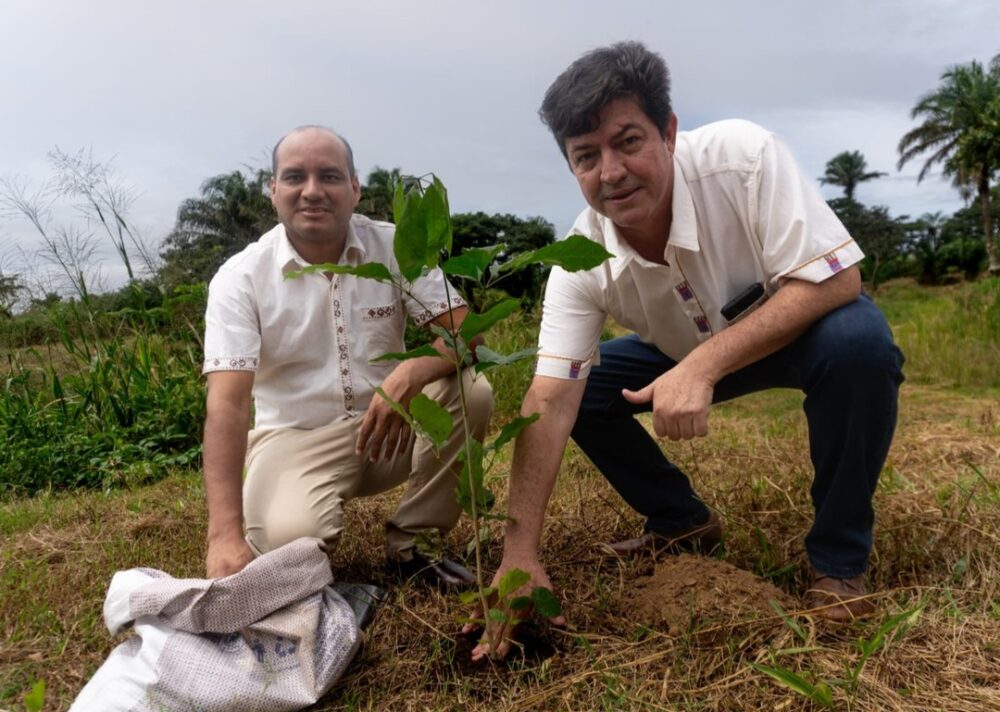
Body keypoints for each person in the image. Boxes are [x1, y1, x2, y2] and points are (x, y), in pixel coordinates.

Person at [471, 41, 904, 657]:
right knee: (585, 389)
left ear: (669, 132)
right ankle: (682, 522)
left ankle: (839, 561)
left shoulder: (743, 159)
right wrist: (518, 556)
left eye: (628, 142)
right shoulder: (579, 260)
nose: (611, 172)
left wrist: (703, 365)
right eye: (586, 156)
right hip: (676, 354)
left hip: (797, 335)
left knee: (859, 342)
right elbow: (548, 399)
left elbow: (838, 279)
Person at [202, 125, 493, 586]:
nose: (312, 191)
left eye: (330, 176)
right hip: (295, 440)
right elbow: (228, 404)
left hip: (391, 426)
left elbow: (466, 334)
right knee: (290, 545)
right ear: (273, 190)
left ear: (355, 189)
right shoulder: (241, 278)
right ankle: (296, 526)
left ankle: (415, 544)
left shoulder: (395, 248)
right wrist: (223, 535)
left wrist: (412, 373)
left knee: (471, 390)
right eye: (295, 177)